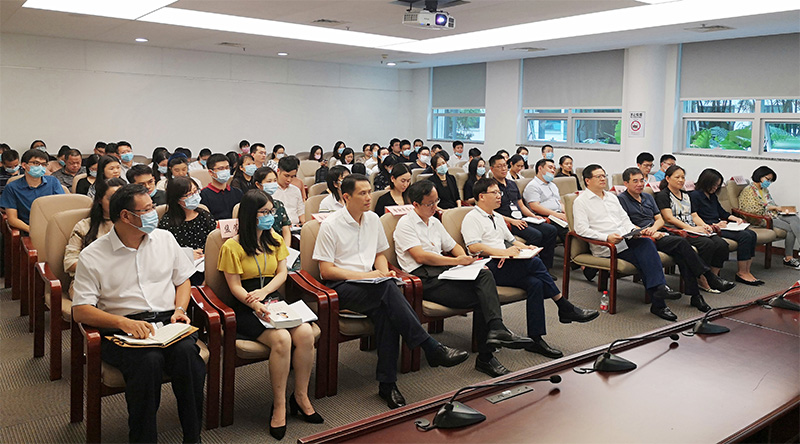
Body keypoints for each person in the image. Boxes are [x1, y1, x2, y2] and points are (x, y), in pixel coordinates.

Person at [313, 174, 468, 409]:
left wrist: (383, 272)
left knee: (387, 312)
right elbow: (327, 271)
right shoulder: (330, 225)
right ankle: (429, 346)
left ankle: (387, 384)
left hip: (372, 286)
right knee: (387, 290)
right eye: (362, 193)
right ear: (346, 197)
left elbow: (379, 256)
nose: (369, 197)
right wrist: (369, 277)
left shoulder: (373, 219)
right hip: (341, 286)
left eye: (369, 191)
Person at [71, 184, 204, 443]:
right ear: (125, 216)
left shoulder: (164, 239)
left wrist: (179, 309)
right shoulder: (93, 255)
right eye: (146, 210)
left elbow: (183, 281)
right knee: (149, 362)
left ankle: (193, 436)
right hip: (122, 330)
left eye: (152, 206)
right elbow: (80, 310)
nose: (153, 213)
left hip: (167, 323)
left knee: (188, 355)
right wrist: (123, 322)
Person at [395, 180, 532, 376]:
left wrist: (463, 258)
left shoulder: (434, 221)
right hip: (423, 279)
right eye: (430, 204)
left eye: (436, 201)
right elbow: (421, 256)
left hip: (444, 272)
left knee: (484, 274)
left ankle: (496, 329)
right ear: (415, 205)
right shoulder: (405, 224)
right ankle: (487, 354)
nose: (435, 207)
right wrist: (454, 261)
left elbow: (452, 246)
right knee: (484, 298)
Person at [219, 189, 321, 438]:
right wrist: (255, 302)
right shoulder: (232, 246)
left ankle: (300, 396)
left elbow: (282, 274)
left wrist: (265, 293)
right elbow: (234, 287)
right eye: (264, 212)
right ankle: (278, 406)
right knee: (282, 339)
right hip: (245, 304)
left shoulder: (274, 239)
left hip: (272, 297)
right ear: (249, 215)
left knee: (306, 332)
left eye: (271, 212)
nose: (269, 217)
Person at [462, 178, 598, 358]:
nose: (499, 196)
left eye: (499, 192)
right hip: (487, 267)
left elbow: (511, 240)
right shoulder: (472, 218)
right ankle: (563, 305)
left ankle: (536, 339)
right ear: (481, 196)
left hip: (505, 262)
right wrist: (503, 252)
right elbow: (474, 247)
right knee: (534, 264)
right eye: (494, 193)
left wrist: (527, 248)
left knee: (535, 283)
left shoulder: (496, 216)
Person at [573, 164, 683, 321]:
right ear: (587, 181)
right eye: (599, 176)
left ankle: (659, 292)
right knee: (645, 259)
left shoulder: (611, 197)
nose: (603, 179)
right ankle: (659, 302)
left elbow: (625, 220)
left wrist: (635, 231)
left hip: (625, 241)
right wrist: (607, 238)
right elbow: (580, 230)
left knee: (646, 244)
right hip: (607, 247)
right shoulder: (581, 201)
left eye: (604, 175)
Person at [618, 168, 734, 313]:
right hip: (641, 237)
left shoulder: (647, 197)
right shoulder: (621, 200)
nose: (640, 184)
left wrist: (654, 228)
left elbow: (659, 219)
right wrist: (648, 232)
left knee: (683, 254)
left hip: (658, 232)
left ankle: (696, 296)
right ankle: (707, 277)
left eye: (642, 180)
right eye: (635, 181)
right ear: (626, 183)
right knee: (682, 244)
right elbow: (625, 223)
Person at [655, 165, 735, 284]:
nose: (681, 180)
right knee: (707, 244)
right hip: (677, 231)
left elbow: (694, 215)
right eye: (677, 177)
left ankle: (713, 277)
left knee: (721, 244)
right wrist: (691, 228)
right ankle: (701, 279)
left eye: (683, 177)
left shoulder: (686, 195)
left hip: (692, 228)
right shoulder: (663, 195)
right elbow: (669, 218)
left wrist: (704, 226)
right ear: (667, 178)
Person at [691, 168, 764, 284]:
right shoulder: (695, 195)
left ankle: (747, 270)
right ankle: (741, 273)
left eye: (718, 185)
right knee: (744, 236)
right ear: (706, 182)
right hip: (709, 227)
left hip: (720, 225)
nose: (715, 188)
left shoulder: (712, 196)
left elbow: (722, 212)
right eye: (714, 185)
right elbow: (694, 217)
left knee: (751, 234)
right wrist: (713, 225)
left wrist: (737, 219)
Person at [488, 154, 558, 271]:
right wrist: (512, 221)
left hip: (522, 218)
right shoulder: (490, 186)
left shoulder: (512, 184)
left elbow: (520, 205)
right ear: (492, 169)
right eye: (499, 166)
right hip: (507, 222)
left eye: (505, 165)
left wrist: (534, 216)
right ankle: (528, 267)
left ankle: (545, 267)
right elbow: (490, 211)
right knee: (536, 235)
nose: (504, 169)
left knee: (551, 230)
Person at [64, 178, 126, 297]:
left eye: (123, 199)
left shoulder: (134, 225)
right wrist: (105, 267)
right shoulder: (84, 226)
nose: (118, 203)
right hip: (90, 281)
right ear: (99, 200)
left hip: (126, 280)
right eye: (111, 199)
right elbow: (70, 262)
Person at [738, 166, 800, 270]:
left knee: (794, 218)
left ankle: (791, 255)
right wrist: (775, 208)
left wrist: (781, 209)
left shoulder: (764, 189)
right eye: (768, 179)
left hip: (773, 213)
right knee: (790, 228)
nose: (769, 182)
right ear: (759, 176)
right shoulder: (749, 190)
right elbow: (752, 209)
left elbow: (770, 203)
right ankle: (788, 258)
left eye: (770, 180)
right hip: (762, 218)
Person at [160, 176, 216, 286]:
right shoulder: (168, 222)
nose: (194, 196)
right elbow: (165, 251)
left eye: (195, 191)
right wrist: (188, 254)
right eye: (189, 195)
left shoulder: (204, 215)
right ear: (177, 199)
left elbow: (214, 241)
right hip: (182, 268)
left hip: (207, 264)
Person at [0, 148, 65, 232]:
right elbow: (12, 219)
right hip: (28, 229)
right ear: (24, 165)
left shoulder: (53, 182)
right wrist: (32, 230)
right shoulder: (12, 187)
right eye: (36, 163)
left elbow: (62, 207)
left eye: (44, 164)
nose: (40, 167)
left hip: (53, 227)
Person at [524, 158, 568, 242]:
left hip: (557, 214)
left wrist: (568, 213)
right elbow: (534, 206)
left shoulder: (553, 185)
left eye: (554, 169)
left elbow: (559, 203)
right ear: (540, 168)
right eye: (550, 168)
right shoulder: (533, 186)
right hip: (546, 216)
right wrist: (556, 215)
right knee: (567, 232)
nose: (553, 171)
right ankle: (570, 254)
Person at [254, 167, 293, 247]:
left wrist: (286, 250)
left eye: (275, 181)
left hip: (279, 246)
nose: (273, 184)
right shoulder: (251, 205)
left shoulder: (278, 205)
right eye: (269, 181)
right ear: (258, 184)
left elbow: (286, 231)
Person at [200, 153, 243, 220]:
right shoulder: (203, 195)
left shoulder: (237, 192)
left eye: (227, 168)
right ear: (211, 172)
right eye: (221, 168)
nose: (225, 171)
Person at [272, 156, 305, 225]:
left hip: (295, 226)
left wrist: (303, 224)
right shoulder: (270, 190)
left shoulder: (296, 190)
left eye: (292, 176)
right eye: (286, 176)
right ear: (278, 171)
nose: (289, 180)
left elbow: (301, 212)